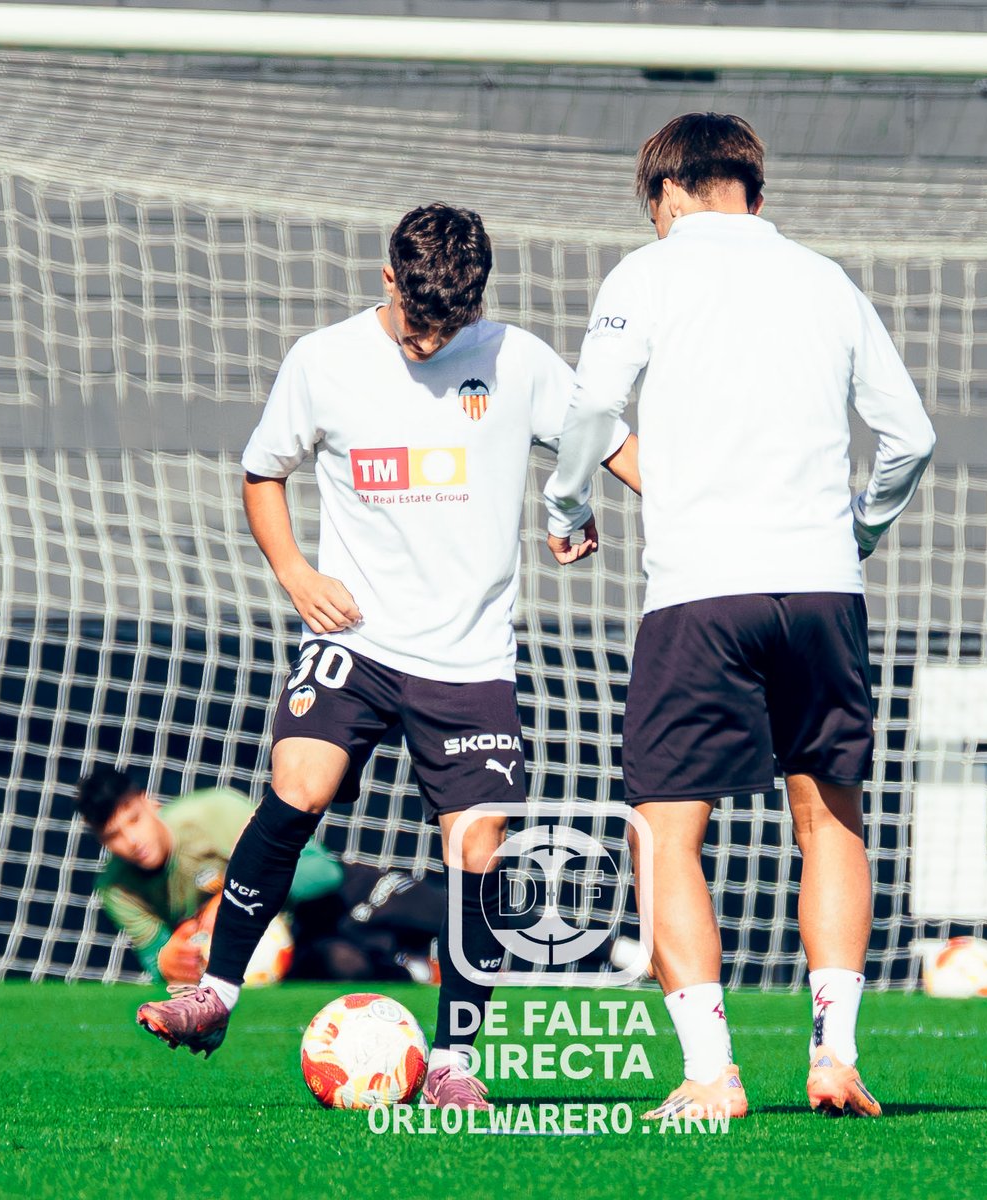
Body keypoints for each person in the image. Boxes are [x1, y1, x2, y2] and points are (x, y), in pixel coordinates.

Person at [135, 203, 639, 1111]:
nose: (426, 344)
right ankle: (215, 993)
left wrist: (605, 508)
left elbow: (612, 445)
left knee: (478, 850)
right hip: (354, 641)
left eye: (446, 327)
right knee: (298, 784)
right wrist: (293, 570)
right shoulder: (323, 361)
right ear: (387, 281)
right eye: (415, 322)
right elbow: (263, 472)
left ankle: (453, 1062)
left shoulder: (516, 359)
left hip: (469, 659)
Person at [545, 113, 936, 1120]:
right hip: (820, 588)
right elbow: (909, 436)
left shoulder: (647, 272)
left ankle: (711, 1073)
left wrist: (567, 502)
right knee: (829, 820)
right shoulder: (824, 279)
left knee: (667, 830)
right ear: (753, 194)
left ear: (667, 194)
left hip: (700, 591)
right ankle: (834, 1057)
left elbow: (592, 409)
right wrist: (858, 535)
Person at [75, 766, 340, 985]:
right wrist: (168, 961)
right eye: (113, 835)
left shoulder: (216, 812)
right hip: (246, 972)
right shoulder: (117, 889)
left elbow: (325, 872)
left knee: (347, 960)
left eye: (134, 820)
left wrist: (233, 899)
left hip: (321, 919)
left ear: (150, 802)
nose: (132, 840)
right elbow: (156, 962)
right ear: (101, 840)